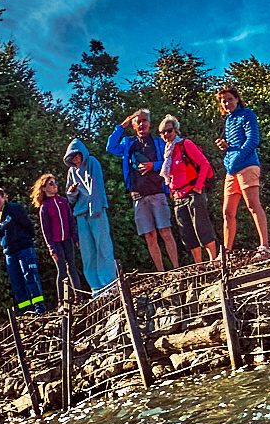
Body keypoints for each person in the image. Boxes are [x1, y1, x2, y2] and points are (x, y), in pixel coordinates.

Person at [106, 108, 179, 273]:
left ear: (149, 123)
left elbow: (170, 161)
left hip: (158, 192)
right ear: (133, 124)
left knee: (165, 231)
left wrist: (153, 165)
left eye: (144, 120)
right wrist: (122, 125)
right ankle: (162, 273)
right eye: (137, 121)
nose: (141, 124)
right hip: (138, 196)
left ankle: (176, 270)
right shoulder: (128, 143)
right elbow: (110, 147)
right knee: (149, 236)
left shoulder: (158, 142)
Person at [215, 83, 270, 257]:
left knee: (253, 205)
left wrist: (237, 157)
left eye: (230, 99)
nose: (227, 103)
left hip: (247, 164)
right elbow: (234, 144)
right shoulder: (228, 120)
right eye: (223, 101)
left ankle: (265, 246)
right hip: (232, 169)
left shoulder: (247, 114)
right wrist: (225, 147)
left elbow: (253, 139)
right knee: (227, 211)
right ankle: (225, 252)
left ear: (237, 99)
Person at [158, 115, 220, 264]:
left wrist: (198, 186)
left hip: (193, 193)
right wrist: (171, 190)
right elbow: (171, 175)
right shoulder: (167, 152)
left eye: (169, 130)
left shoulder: (185, 144)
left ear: (176, 130)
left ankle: (213, 260)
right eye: (163, 132)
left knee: (202, 227)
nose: (166, 134)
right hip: (179, 197)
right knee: (187, 233)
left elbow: (204, 164)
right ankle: (199, 264)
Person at [64, 137, 118, 291]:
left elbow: (97, 186)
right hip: (81, 214)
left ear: (82, 153)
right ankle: (96, 288)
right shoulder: (71, 172)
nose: (75, 159)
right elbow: (70, 197)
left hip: (97, 211)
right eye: (71, 158)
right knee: (88, 252)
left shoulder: (92, 162)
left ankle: (110, 283)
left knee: (103, 247)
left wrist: (95, 208)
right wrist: (72, 192)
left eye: (76, 155)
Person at [0, 187, 45, 315]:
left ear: (4, 198)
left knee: (30, 278)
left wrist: (26, 239)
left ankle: (39, 308)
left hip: (24, 248)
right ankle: (25, 310)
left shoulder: (14, 209)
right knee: (17, 284)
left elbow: (28, 225)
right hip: (10, 253)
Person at [31, 173, 84, 302]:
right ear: (43, 188)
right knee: (62, 270)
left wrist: (76, 238)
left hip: (67, 240)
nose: (54, 185)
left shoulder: (63, 201)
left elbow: (71, 220)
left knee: (72, 267)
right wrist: (51, 249)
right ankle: (62, 300)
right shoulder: (44, 207)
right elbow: (46, 231)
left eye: (55, 182)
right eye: (51, 183)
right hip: (56, 242)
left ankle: (79, 297)